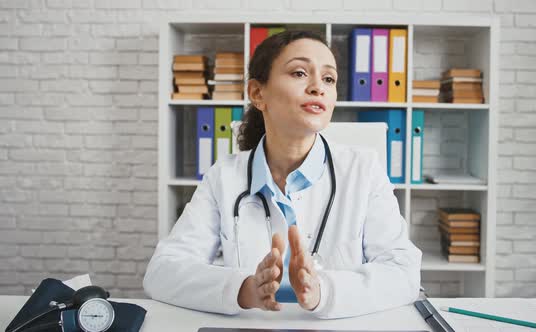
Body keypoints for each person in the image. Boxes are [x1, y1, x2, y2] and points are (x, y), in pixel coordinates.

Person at [143, 30, 422, 319]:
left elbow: (404, 272)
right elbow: (162, 271)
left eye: (329, 79)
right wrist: (244, 289)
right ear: (257, 93)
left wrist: (323, 291)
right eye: (300, 73)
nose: (318, 87)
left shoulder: (363, 170)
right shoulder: (225, 176)